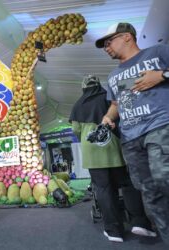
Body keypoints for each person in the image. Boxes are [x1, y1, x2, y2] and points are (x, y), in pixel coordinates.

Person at [95, 22, 169, 244]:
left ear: (127, 37)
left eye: (109, 42)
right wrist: (108, 117)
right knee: (150, 193)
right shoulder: (113, 76)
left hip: (160, 126)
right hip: (130, 139)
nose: (106, 47)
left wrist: (163, 75)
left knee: (164, 178)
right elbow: (117, 103)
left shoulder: (158, 52)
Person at [70, 75, 156, 242]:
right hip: (114, 150)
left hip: (93, 155)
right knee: (128, 184)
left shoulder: (77, 105)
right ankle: (140, 222)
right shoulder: (110, 98)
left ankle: (114, 230)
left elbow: (76, 130)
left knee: (103, 190)